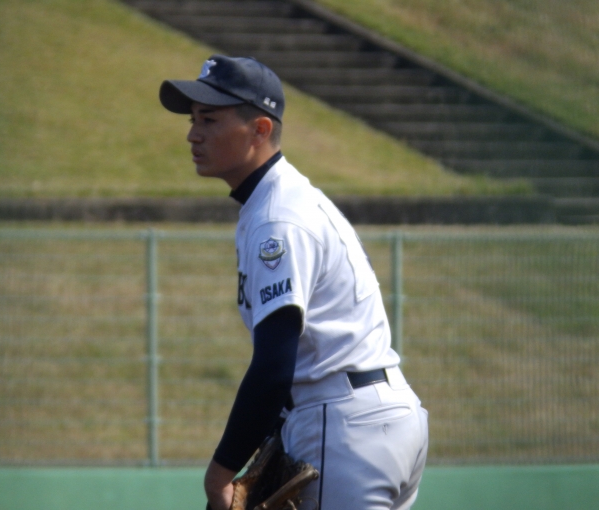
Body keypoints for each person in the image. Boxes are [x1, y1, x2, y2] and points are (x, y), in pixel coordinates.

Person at [159, 55, 428, 510]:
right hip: (379, 418)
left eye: (209, 119)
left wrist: (220, 474)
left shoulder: (277, 218)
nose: (193, 134)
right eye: (193, 120)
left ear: (259, 130)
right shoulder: (285, 199)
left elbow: (273, 367)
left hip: (343, 426)